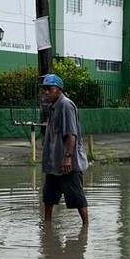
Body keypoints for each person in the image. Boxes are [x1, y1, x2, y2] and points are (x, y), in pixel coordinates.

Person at [40, 73, 89, 226]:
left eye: (50, 89)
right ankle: (47, 224)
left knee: (77, 197)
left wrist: (67, 156)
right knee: (49, 196)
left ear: (59, 90)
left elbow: (71, 134)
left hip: (68, 163)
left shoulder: (66, 105)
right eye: (45, 89)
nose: (46, 92)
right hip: (54, 162)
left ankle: (85, 227)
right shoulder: (53, 107)